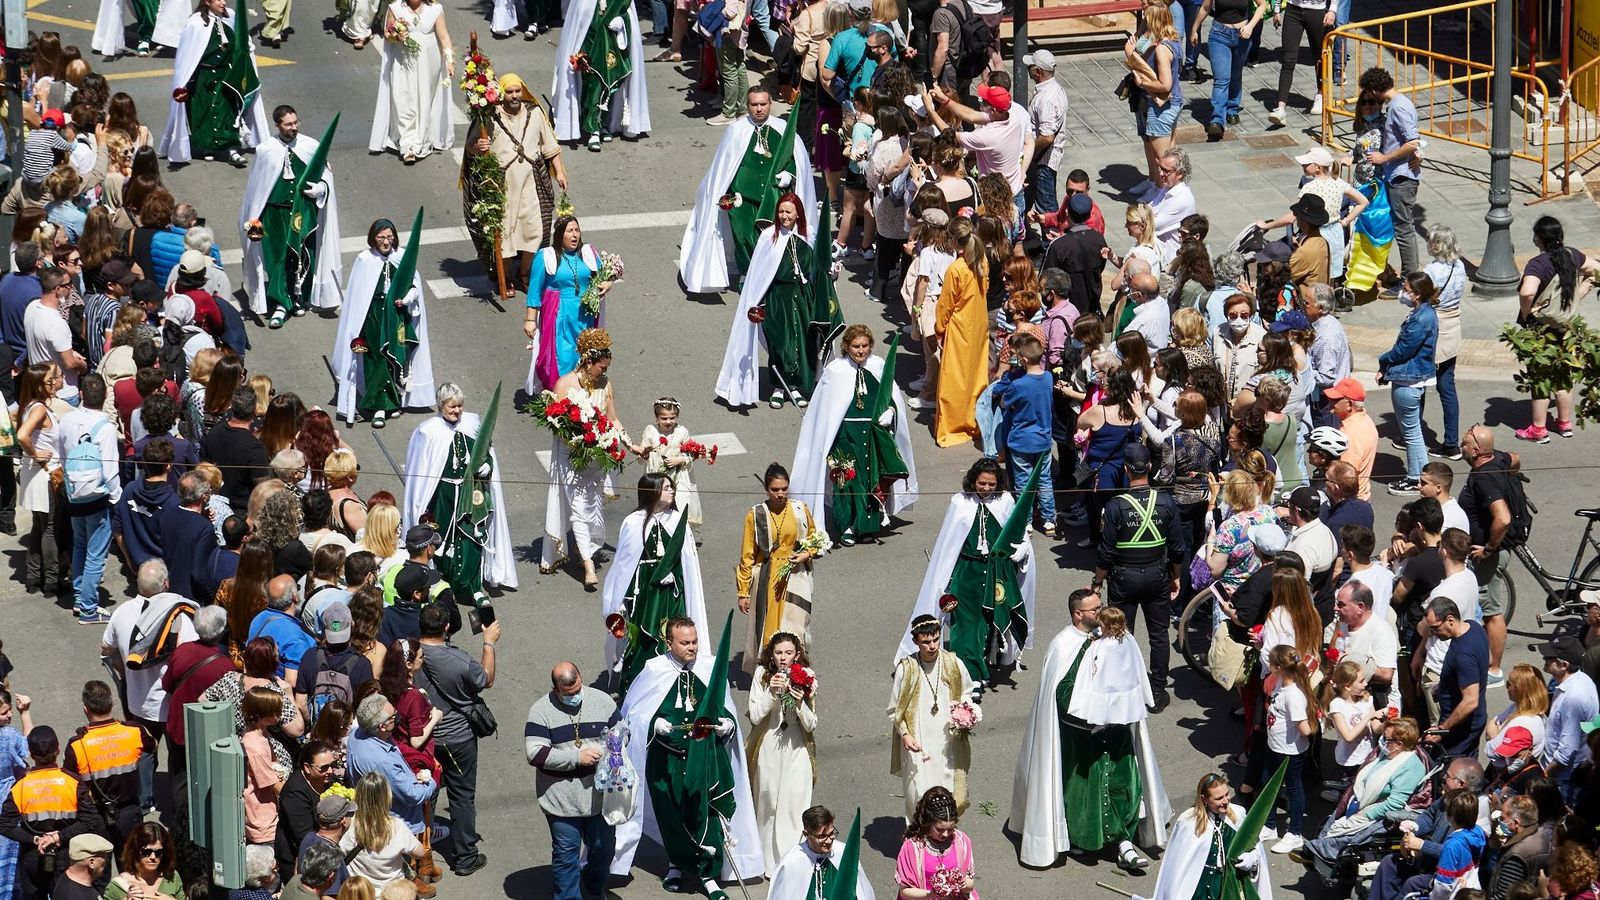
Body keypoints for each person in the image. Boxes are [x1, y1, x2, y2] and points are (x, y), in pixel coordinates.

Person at [610, 618, 764, 899]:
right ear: (669, 643)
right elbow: (634, 714)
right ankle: (676, 864)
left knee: (706, 815)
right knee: (671, 816)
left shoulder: (709, 667)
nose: (692, 647)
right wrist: (653, 724)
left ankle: (708, 875)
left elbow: (724, 707)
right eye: (684, 643)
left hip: (704, 759)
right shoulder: (654, 670)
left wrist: (727, 725)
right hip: (667, 761)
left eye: (694, 641)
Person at [900, 458, 1035, 689]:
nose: (986, 488)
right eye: (982, 483)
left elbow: (1017, 530)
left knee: (988, 622)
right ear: (972, 481)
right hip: (967, 572)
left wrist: (1022, 548)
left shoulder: (1005, 500)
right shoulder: (960, 502)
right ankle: (969, 677)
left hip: (995, 573)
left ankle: (983, 666)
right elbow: (949, 542)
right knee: (965, 625)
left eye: (991, 484)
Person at [787, 325, 917, 545]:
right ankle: (846, 525)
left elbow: (891, 397)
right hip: (845, 437)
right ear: (846, 346)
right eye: (856, 346)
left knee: (869, 480)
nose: (861, 350)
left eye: (865, 346)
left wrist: (890, 411)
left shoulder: (878, 366)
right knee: (846, 481)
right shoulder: (836, 370)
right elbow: (824, 408)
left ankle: (865, 526)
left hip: (872, 437)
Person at [679, 87, 816, 295]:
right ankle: (748, 273)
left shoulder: (783, 130)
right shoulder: (736, 131)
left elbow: (795, 159)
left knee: (771, 237)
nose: (759, 109)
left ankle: (771, 275)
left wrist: (789, 173)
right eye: (754, 104)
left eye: (763, 104)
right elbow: (723, 166)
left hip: (772, 197)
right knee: (744, 237)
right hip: (741, 198)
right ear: (747, 105)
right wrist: (723, 194)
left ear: (770, 104)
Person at [714, 192, 841, 409]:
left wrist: (832, 272)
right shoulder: (768, 237)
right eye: (780, 211)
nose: (784, 216)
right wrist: (756, 302)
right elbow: (759, 272)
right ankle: (779, 387)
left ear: (798, 213)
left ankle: (795, 385)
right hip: (777, 297)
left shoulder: (808, 234)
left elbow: (818, 267)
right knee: (780, 342)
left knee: (802, 342)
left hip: (803, 297)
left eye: (788, 212)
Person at [401, 382, 516, 601]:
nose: (457, 411)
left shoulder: (472, 423)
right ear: (440, 405)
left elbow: (485, 451)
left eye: (460, 406)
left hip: (470, 494)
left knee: (472, 538)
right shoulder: (428, 431)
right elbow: (420, 470)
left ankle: (473, 587)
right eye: (452, 406)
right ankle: (444, 583)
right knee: (441, 541)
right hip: (442, 496)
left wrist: (487, 465)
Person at [1091, 442, 1184, 709]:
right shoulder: (1166, 501)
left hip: (1124, 578)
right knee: (1159, 635)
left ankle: (1123, 688)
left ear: (1125, 469)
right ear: (1150, 467)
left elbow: (1105, 552)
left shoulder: (1115, 506)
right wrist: (1176, 576)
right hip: (1157, 575)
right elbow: (1177, 548)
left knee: (1120, 633)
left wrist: (1097, 582)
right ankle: (1157, 691)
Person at [538, 331, 631, 589]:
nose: (604, 373)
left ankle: (586, 548)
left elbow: (613, 419)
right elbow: (557, 424)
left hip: (595, 456)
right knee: (579, 508)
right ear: (589, 363)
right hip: (571, 455)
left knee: (593, 506)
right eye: (602, 368)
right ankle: (588, 564)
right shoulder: (564, 385)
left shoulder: (606, 385)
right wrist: (578, 439)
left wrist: (630, 443)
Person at [601, 474, 709, 693]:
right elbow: (624, 565)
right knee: (644, 638)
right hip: (644, 594)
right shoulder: (634, 522)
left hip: (672, 594)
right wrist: (622, 599)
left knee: (673, 633)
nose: (672, 491)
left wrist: (675, 576)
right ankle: (638, 687)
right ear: (652, 491)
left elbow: (688, 564)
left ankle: (674, 684)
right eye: (666, 487)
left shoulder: (677, 521)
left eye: (671, 487)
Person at [412, 603, 497, 876]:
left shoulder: (408, 655)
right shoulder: (458, 660)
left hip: (423, 739)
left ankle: (420, 855)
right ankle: (465, 858)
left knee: (426, 794)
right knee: (461, 797)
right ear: (447, 627)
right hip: (458, 739)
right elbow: (486, 679)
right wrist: (489, 643)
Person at [239, 106, 342, 328]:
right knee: (278, 258)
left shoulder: (310, 146)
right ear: (278, 125)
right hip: (274, 214)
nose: (293, 127)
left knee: (302, 256)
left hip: (302, 212)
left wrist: (320, 189)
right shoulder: (266, 150)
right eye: (288, 124)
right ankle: (280, 304)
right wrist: (254, 217)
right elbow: (256, 188)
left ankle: (297, 297)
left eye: (296, 122)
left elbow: (325, 175)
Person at [463, 75, 566, 294]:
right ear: (502, 94)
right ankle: (506, 275)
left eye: (517, 91)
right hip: (501, 186)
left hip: (531, 183)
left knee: (534, 230)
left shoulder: (535, 113)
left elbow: (550, 146)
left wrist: (560, 172)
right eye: (509, 92)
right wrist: (478, 146)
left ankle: (525, 272)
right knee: (505, 233)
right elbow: (471, 147)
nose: (514, 96)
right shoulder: (489, 116)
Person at [523, 662, 617, 900]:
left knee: (603, 850)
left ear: (581, 678)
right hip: (561, 799)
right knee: (566, 856)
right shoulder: (541, 711)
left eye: (577, 690)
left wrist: (610, 747)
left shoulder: (602, 701)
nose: (574, 697)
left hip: (599, 797)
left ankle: (594, 885)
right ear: (556, 689)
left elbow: (621, 731)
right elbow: (535, 753)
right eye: (567, 694)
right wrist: (576, 758)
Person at [333, 219, 432, 429]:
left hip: (396, 317)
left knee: (395, 358)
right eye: (381, 238)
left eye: (389, 237)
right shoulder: (365, 260)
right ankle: (379, 407)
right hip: (373, 317)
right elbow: (357, 297)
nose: (386, 242)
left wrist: (408, 298)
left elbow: (413, 285)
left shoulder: (402, 257)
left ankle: (391, 398)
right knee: (377, 359)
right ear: (373, 238)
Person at [1297, 717, 1431, 871]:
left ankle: (1316, 851)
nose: (1382, 741)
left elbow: (1395, 803)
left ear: (1399, 744)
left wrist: (1366, 814)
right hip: (1360, 800)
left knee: (1352, 835)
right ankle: (1317, 851)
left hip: (1379, 812)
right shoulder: (1384, 754)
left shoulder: (1411, 768)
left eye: (1386, 738)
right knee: (1333, 820)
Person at [1513, 215, 1600, 442]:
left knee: (1540, 377)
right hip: (1567, 327)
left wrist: (1527, 312)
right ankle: (1564, 423)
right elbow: (1597, 270)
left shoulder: (1537, 264)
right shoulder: (1573, 255)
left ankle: (1538, 430)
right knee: (1563, 375)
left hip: (1541, 328)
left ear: (1538, 239)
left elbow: (1527, 292)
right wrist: (1580, 293)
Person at [157, 0, 268, 167]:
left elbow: (242, 42)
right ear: (207, 2)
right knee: (203, 112)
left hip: (226, 75)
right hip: (203, 76)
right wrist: (184, 81)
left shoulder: (230, 17)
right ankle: (207, 147)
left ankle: (232, 150)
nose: (223, 2)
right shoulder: (195, 23)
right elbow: (187, 53)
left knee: (227, 111)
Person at [888, 616, 975, 821]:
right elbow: (894, 710)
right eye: (926, 642)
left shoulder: (953, 663)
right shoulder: (906, 669)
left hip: (947, 743)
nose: (933, 646)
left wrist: (965, 712)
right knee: (917, 796)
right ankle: (917, 836)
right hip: (919, 745)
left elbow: (967, 691)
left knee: (948, 793)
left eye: (936, 639)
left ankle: (945, 834)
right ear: (916, 641)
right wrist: (905, 734)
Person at [736, 464, 823, 670]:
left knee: (796, 627)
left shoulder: (800, 510)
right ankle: (769, 672)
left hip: (796, 577)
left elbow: (815, 539)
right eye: (775, 489)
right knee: (769, 629)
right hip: (768, 578)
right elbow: (747, 556)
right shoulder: (755, 515)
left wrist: (806, 554)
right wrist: (743, 592)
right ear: (767, 489)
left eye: (784, 488)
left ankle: (796, 672)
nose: (780, 494)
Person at [746, 633, 817, 875]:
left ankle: (792, 862)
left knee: (795, 806)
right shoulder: (762, 675)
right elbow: (755, 716)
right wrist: (771, 693)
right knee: (768, 804)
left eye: (788, 653)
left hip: (797, 750)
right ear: (772, 655)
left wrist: (799, 704)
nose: (783, 658)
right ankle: (766, 861)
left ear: (796, 654)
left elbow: (811, 724)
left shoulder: (806, 676)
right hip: (770, 750)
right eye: (779, 653)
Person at [522, 216, 614, 394]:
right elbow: (534, 291)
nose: (575, 235)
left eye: (577, 230)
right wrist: (530, 320)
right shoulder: (546, 256)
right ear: (560, 235)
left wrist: (608, 284)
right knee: (563, 355)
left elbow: (604, 275)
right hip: (560, 316)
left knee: (586, 354)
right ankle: (562, 394)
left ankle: (583, 392)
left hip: (586, 317)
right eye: (570, 231)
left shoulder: (588, 253)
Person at [57, 373, 119, 622]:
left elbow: (62, 456)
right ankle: (89, 609)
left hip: (73, 494)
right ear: (105, 396)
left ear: (81, 394)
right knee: (96, 553)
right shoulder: (106, 428)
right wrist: (116, 499)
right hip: (97, 497)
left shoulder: (67, 420)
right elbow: (110, 470)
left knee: (80, 545)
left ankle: (79, 598)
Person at [549, 0, 650, 152]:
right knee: (593, 86)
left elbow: (628, 15)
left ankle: (602, 123)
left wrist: (623, 21)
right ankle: (593, 129)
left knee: (610, 87)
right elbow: (580, 16)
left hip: (612, 46)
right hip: (591, 44)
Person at [1457, 424, 1516, 685]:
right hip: (1492, 550)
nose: (1461, 447)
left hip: (1491, 554)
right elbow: (1516, 458)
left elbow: (1503, 518)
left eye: (1465, 444)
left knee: (1491, 612)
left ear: (1476, 451)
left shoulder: (1483, 479)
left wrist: (1489, 549)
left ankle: (1494, 670)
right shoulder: (1498, 458)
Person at [368, 0, 456, 164]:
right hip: (403, 62)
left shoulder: (435, 9)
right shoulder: (395, 8)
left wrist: (449, 60)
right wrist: (396, 36)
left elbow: (444, 36)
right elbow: (387, 33)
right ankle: (408, 145)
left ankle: (420, 139)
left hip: (429, 64)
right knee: (403, 99)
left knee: (423, 100)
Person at [63, 680, 149, 846]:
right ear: (112, 703)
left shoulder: (77, 745)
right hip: (130, 813)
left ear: (85, 709)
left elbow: (70, 784)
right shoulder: (134, 731)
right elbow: (153, 746)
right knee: (131, 860)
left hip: (97, 817)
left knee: (99, 861)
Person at [344, 695, 437, 845]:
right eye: (394, 716)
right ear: (382, 726)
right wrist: (431, 781)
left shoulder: (357, 734)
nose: (398, 716)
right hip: (398, 829)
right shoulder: (382, 761)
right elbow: (413, 795)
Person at [0, 728, 80, 900]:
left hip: (32, 857)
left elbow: (5, 825)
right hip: (66, 856)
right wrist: (58, 837)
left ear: (30, 753)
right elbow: (90, 820)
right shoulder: (73, 782)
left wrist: (35, 839)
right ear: (58, 749)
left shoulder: (20, 787)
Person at [1379, 271, 1439, 496]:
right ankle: (1421, 476)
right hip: (1413, 378)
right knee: (1414, 432)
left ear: (1417, 294)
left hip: (1408, 380)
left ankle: (1415, 478)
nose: (1402, 293)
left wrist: (1384, 360)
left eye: (1406, 289)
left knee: (1411, 433)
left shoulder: (1421, 318)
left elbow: (1404, 350)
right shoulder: (1423, 313)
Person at [1360, 67, 1422, 278]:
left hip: (1401, 177)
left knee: (1403, 228)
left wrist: (1384, 158)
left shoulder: (1397, 107)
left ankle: (1409, 278)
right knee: (1403, 227)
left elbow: (1412, 141)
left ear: (1373, 90)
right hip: (1400, 175)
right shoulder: (1400, 103)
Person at [932, 215, 988, 448]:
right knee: (976, 375)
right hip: (978, 325)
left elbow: (945, 304)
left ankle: (953, 425)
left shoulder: (956, 269)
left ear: (954, 241)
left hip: (959, 328)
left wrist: (939, 329)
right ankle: (973, 420)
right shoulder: (981, 261)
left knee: (953, 378)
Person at [1125, 2, 1182, 194]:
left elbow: (1165, 85)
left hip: (1161, 106)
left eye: (1148, 18)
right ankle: (1167, 190)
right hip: (1170, 103)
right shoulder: (1173, 41)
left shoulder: (1161, 49)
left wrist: (1142, 82)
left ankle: (1161, 194)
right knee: (1169, 155)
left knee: (1163, 160)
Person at [1422, 597, 1489, 759]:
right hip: (1473, 721)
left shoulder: (1464, 655)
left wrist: (1442, 730)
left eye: (1435, 628)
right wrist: (1444, 686)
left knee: (1452, 769)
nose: (1433, 633)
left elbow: (1470, 701)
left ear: (1450, 620)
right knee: (1469, 764)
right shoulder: (1474, 627)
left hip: (1461, 728)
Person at [339, 773, 426, 894]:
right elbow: (420, 853)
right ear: (387, 797)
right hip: (392, 893)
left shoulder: (347, 826)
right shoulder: (396, 826)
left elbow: (339, 853)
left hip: (361, 893)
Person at [1190, 0, 1264, 140]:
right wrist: (1194, 29)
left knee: (1235, 75)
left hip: (1242, 36)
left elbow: (1262, 5)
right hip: (1219, 35)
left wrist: (1250, 26)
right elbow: (1205, 8)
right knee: (1221, 79)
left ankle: (1232, 108)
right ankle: (1217, 121)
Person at [1537, 635, 1597, 803]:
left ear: (1564, 665)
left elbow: (1566, 752)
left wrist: (1544, 776)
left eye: (1550, 658)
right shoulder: (1580, 679)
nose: (1545, 659)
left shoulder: (1573, 697)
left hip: (1562, 778)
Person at [767, 806, 874, 900]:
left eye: (831, 833)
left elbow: (862, 893)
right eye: (822, 836)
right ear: (806, 834)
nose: (829, 841)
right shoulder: (791, 863)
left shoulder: (843, 853)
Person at [894, 787, 978, 899]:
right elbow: (905, 891)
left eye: (951, 829)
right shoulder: (912, 847)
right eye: (939, 829)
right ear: (928, 823)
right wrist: (931, 894)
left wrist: (963, 883)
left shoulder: (962, 841)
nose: (945, 834)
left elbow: (970, 884)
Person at [274, 740, 340, 870]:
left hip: (325, 849)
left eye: (333, 765)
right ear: (307, 768)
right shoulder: (294, 792)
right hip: (300, 858)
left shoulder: (329, 780)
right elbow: (304, 836)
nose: (330, 770)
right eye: (323, 768)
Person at [639, 398, 703, 527]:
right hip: (657, 477)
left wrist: (679, 460)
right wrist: (645, 454)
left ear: (677, 416)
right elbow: (642, 457)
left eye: (672, 418)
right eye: (664, 418)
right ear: (656, 418)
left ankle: (680, 532)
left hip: (679, 476)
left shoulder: (682, 432)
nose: (668, 422)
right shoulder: (651, 431)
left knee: (681, 505)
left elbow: (691, 454)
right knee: (657, 508)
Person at [207, 387, 271, 513]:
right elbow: (262, 486)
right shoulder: (255, 447)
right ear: (254, 410)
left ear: (231, 407)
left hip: (215, 503)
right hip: (241, 510)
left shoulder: (214, 432)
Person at [1325, 376, 1376, 501]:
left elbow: (1344, 477)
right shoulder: (1365, 420)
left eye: (1334, 401)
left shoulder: (1351, 435)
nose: (1331, 407)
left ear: (1349, 404)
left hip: (1348, 501)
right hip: (1361, 497)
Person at [104, 824, 183, 900]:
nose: (153, 857)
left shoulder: (172, 877)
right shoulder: (117, 887)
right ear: (135, 851)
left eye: (159, 852)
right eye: (146, 852)